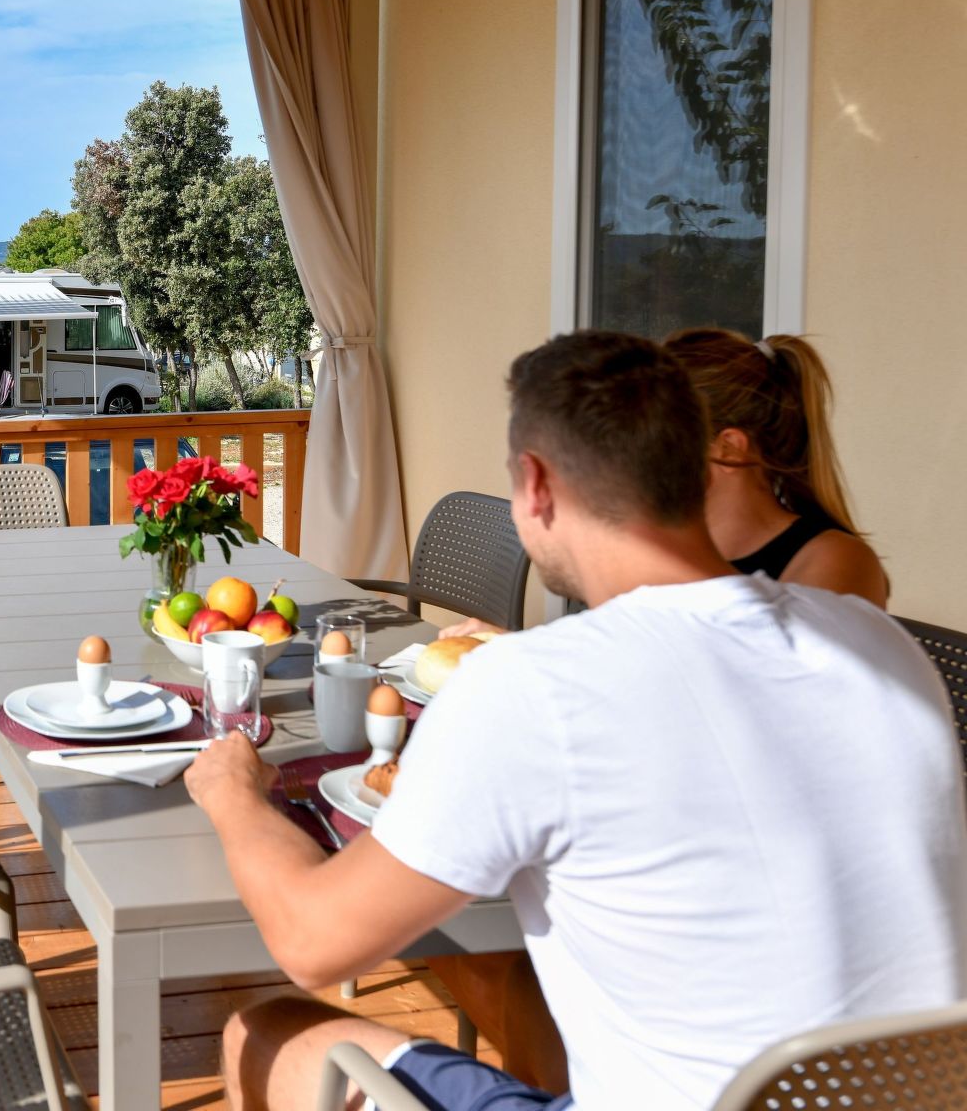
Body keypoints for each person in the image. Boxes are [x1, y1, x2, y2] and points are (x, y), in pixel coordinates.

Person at [185, 330, 966, 1111]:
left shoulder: (531, 690)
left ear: (535, 483)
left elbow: (310, 942)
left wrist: (234, 795)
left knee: (266, 1036)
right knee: (503, 966)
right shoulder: (880, 646)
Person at [665, 328, 887, 606]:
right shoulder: (661, 554)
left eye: (655, 437)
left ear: (729, 448)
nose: (632, 455)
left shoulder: (834, 561)